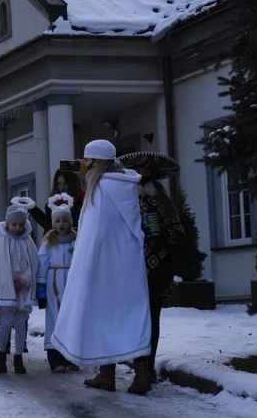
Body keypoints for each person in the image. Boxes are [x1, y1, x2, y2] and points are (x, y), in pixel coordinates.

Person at [51, 139, 152, 395]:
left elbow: (94, 236)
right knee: (128, 318)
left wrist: (84, 269)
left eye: (86, 160)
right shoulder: (125, 185)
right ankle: (134, 375)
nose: (84, 165)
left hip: (102, 268)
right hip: (127, 267)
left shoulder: (102, 189)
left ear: (96, 161)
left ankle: (112, 374)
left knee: (101, 316)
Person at [118, 151, 184, 384]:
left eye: (147, 172)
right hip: (131, 264)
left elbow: (177, 228)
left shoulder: (163, 200)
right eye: (140, 171)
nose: (143, 175)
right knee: (134, 317)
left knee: (153, 316)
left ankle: (148, 366)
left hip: (158, 265)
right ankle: (138, 365)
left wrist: (169, 235)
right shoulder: (126, 200)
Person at [0, 197, 39, 375]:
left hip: (22, 290)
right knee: (6, 323)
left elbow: (33, 263)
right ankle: (1, 354)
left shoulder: (27, 242)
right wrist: (7, 282)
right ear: (8, 223)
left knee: (21, 323)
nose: (17, 228)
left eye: (20, 225)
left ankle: (18, 357)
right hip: (5, 290)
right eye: (14, 224)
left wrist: (24, 280)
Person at [35, 193, 79, 373]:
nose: (61, 224)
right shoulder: (48, 243)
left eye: (65, 221)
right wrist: (41, 292)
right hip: (54, 287)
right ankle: (55, 359)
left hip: (71, 285)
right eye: (58, 221)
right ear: (54, 223)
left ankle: (70, 356)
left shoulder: (77, 241)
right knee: (55, 319)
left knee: (72, 320)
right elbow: (42, 266)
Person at [29, 169, 86, 233]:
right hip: (55, 240)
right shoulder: (53, 202)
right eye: (59, 184)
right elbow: (48, 226)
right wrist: (32, 208)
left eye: (65, 184)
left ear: (71, 183)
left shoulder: (83, 199)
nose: (61, 187)